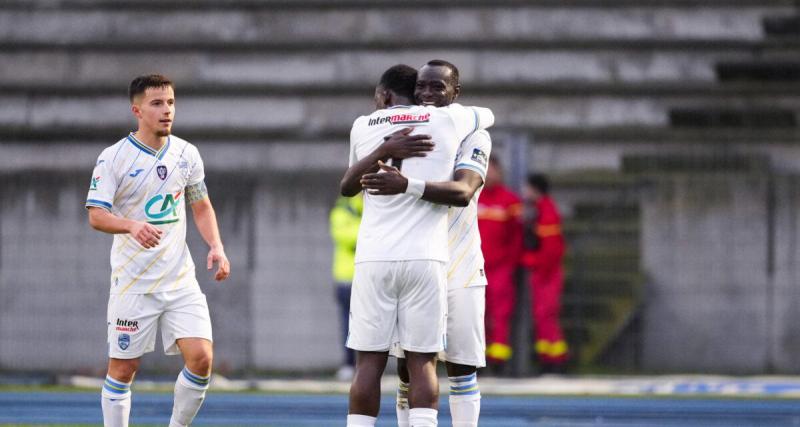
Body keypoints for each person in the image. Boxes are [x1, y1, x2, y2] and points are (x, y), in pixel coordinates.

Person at [340, 64, 494, 427]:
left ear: (455, 91)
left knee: (459, 365)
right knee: (411, 366)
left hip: (459, 257)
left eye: (437, 87)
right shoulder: (444, 122)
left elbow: (464, 191)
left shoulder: (472, 135)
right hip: (427, 256)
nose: (427, 94)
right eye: (421, 87)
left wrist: (404, 179)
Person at [86, 74, 230, 427]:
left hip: (180, 280)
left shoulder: (186, 153)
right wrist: (132, 225)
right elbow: (96, 215)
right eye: (157, 103)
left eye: (170, 103)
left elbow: (201, 205)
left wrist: (216, 245)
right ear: (137, 110)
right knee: (123, 369)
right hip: (133, 282)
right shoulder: (113, 158)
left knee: (201, 359)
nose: (167, 111)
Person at [477, 157, 523, 370]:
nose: (489, 175)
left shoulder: (510, 201)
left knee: (500, 314)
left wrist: (511, 263)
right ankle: (477, 358)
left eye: (493, 170)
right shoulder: (471, 196)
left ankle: (498, 361)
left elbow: (517, 236)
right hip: (474, 267)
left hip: (500, 268)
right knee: (476, 313)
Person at [521, 174, 569, 373]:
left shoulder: (547, 211)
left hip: (547, 274)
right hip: (543, 273)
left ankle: (556, 360)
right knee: (543, 316)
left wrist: (531, 262)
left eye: (527, 188)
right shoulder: (541, 210)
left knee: (546, 315)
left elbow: (551, 250)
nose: (524, 193)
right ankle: (547, 359)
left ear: (535, 189)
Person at [329, 193, 363, 381]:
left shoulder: (375, 205)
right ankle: (349, 364)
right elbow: (344, 236)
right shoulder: (343, 209)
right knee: (348, 325)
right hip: (346, 279)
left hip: (369, 278)